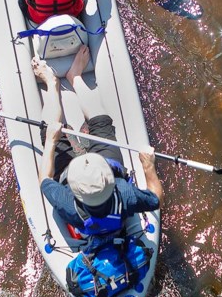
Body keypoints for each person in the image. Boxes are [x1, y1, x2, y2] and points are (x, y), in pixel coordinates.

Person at [33, 45, 162, 236]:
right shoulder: (124, 195)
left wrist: (51, 140)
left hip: (77, 171)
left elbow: (45, 179)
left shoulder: (67, 204)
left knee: (50, 129)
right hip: (107, 164)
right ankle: (75, 77)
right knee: (101, 121)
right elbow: (155, 198)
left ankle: (52, 85)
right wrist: (148, 166)